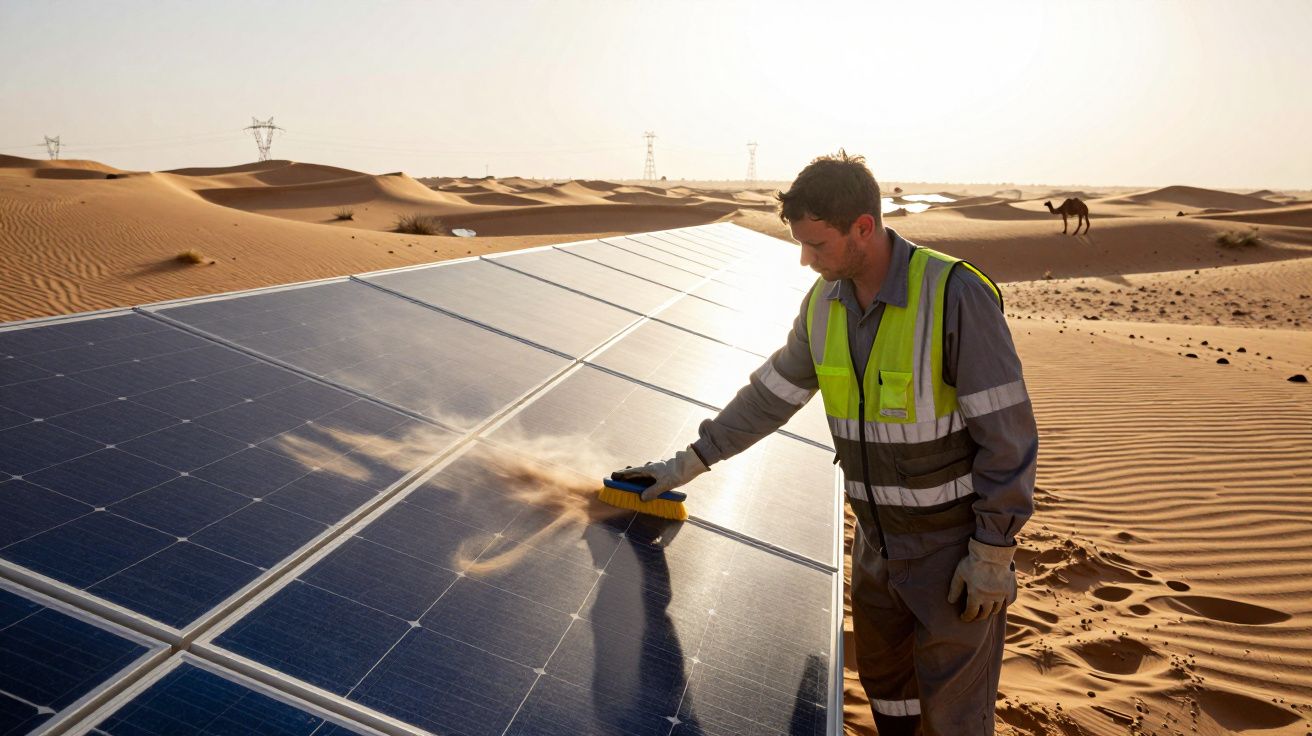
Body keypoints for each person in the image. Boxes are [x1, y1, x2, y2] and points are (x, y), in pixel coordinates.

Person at [612, 151, 1038, 735]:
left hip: (953, 552)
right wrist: (687, 463)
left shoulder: (952, 295)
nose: (806, 260)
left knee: (954, 717)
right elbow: (768, 399)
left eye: (816, 245)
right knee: (889, 692)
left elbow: (1008, 439)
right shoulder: (823, 306)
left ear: (863, 227)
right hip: (875, 548)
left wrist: (993, 551)